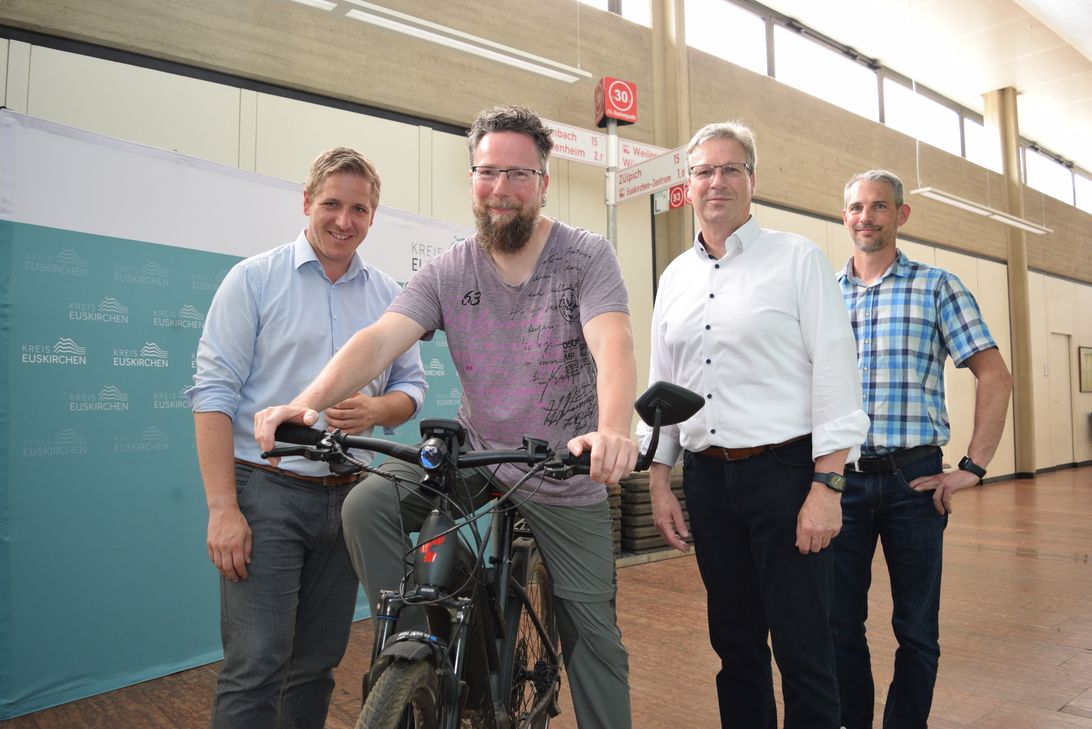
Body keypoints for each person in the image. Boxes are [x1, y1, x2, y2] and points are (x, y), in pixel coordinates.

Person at [254, 105, 638, 729]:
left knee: (594, 642)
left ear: (543, 182)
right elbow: (380, 340)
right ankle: (422, 648)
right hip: (480, 455)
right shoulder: (450, 268)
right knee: (368, 507)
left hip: (562, 470)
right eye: (488, 172)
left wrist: (613, 430)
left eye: (519, 174)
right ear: (472, 179)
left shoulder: (585, 256)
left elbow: (612, 342)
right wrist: (309, 402)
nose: (501, 188)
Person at [640, 120, 870, 729]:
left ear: (752, 179)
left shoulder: (797, 259)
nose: (716, 181)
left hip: (786, 476)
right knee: (735, 647)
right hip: (707, 482)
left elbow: (835, 375)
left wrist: (828, 486)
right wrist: (660, 480)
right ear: (688, 184)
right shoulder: (675, 276)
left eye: (730, 168)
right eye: (704, 170)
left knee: (804, 647)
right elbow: (663, 385)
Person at [187, 147, 426, 729]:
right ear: (306, 202)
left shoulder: (390, 296)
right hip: (267, 492)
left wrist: (375, 410)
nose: (344, 221)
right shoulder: (253, 280)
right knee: (255, 666)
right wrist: (223, 509)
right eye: (331, 204)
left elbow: (412, 389)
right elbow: (213, 395)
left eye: (359, 209)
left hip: (350, 499)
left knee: (316, 666)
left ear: (373, 216)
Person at [832, 170, 1013, 729]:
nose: (866, 217)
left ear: (901, 215)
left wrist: (973, 467)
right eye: (856, 207)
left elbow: (995, 375)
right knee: (838, 625)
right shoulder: (823, 294)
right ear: (845, 216)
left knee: (915, 628)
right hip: (839, 480)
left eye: (879, 206)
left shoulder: (938, 287)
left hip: (913, 482)